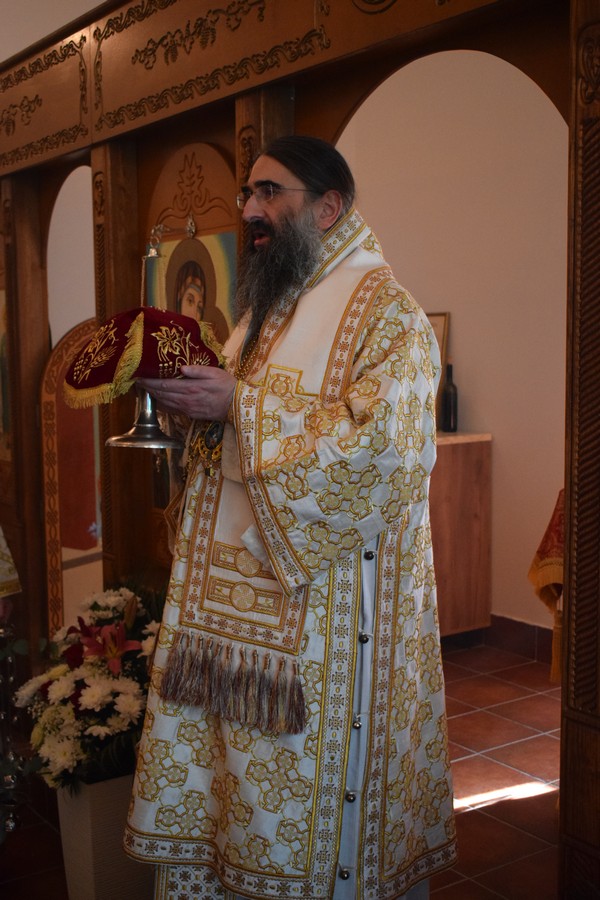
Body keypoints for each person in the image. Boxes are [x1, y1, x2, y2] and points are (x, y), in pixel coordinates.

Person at [125, 135, 457, 899]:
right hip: (229, 628)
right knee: (230, 796)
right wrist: (191, 407)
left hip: (320, 630)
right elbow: (232, 431)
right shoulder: (265, 311)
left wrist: (239, 407)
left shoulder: (390, 317)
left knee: (300, 817)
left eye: (269, 192)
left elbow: (385, 454)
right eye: (248, 193)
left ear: (329, 207)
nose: (249, 209)